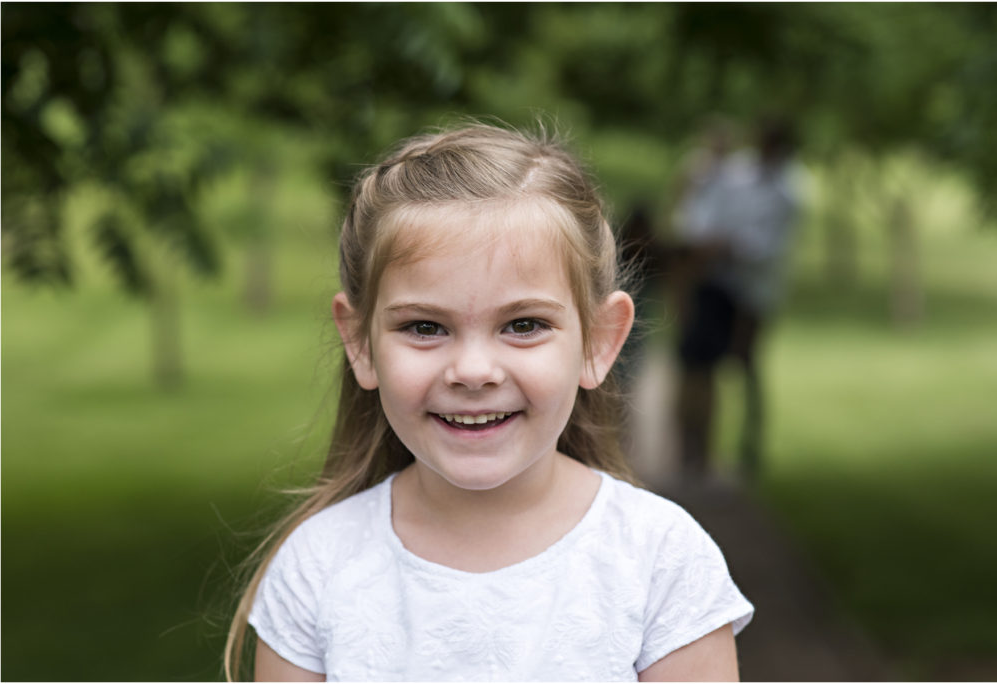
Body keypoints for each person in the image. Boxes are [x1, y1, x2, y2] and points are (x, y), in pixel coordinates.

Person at [225, 122, 754, 681]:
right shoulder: (317, 569)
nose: (473, 371)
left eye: (523, 324)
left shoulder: (662, 564)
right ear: (359, 342)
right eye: (425, 326)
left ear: (599, 341)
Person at [673, 118, 803, 480]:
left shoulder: (790, 192)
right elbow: (706, 194)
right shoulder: (742, 171)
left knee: (747, 364)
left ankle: (750, 445)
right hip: (720, 285)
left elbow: (766, 247)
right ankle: (699, 450)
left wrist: (723, 245)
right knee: (705, 364)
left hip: (755, 293)